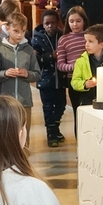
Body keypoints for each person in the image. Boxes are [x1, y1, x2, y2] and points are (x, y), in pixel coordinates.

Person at [0, 11, 41, 140]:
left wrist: (27, 74)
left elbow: (37, 74)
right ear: (7, 29)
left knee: (24, 136)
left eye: (23, 31)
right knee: (5, 136)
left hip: (24, 102)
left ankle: (23, 153)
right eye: (16, 31)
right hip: (5, 102)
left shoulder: (28, 50)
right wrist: (5, 73)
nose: (19, 35)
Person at [31, 9, 66, 147]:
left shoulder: (62, 36)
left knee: (61, 105)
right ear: (43, 24)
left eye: (53, 23)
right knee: (48, 107)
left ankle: (55, 128)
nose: (50, 26)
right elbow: (35, 59)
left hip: (60, 79)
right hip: (45, 80)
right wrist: (51, 56)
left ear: (58, 23)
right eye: (47, 23)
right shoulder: (37, 39)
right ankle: (51, 133)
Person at [70, 24, 103, 106]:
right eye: (86, 41)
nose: (86, 44)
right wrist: (84, 84)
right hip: (89, 102)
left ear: (102, 44)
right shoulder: (81, 61)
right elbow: (74, 82)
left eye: (90, 41)